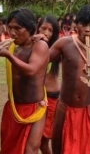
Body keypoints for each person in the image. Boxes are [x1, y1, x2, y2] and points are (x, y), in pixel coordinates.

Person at [49, 5, 90, 154]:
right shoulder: (64, 43)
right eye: (83, 25)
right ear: (76, 25)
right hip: (65, 104)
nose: (87, 29)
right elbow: (41, 61)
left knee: (85, 148)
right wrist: (39, 41)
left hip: (89, 106)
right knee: (58, 145)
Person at [0, 8, 50, 154]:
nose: (12, 33)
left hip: (35, 108)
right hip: (14, 108)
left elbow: (31, 70)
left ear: (29, 28)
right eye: (9, 28)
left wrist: (8, 56)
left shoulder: (39, 45)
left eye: (17, 28)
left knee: (30, 150)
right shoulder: (11, 46)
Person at [37, 16, 60, 154]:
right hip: (35, 98)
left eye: (50, 30)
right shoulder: (32, 45)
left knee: (43, 141)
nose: (46, 32)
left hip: (51, 98)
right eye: (43, 28)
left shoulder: (59, 48)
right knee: (34, 140)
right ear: (37, 28)